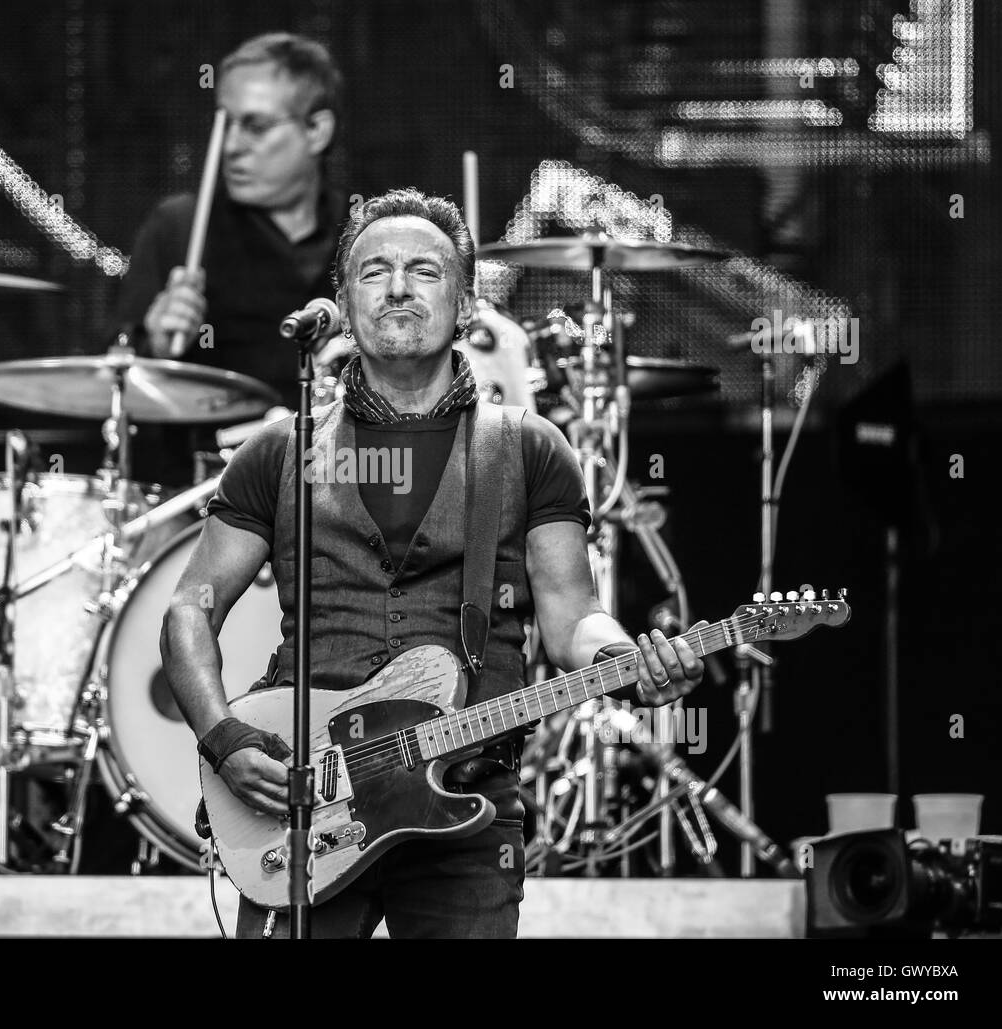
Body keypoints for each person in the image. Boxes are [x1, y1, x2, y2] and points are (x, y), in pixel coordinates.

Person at [159, 188, 706, 939]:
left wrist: (623, 658)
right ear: (343, 306)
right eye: (373, 271)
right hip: (306, 795)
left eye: (424, 270)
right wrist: (222, 735)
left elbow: (573, 615)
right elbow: (191, 605)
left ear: (468, 304)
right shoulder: (278, 451)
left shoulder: (528, 447)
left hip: (466, 795)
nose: (397, 288)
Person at [116, 32, 350, 484]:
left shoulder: (363, 236)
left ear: (317, 130)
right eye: (226, 124)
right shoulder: (180, 230)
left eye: (255, 126)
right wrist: (154, 345)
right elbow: (111, 375)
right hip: (206, 497)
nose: (230, 146)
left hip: (344, 491)